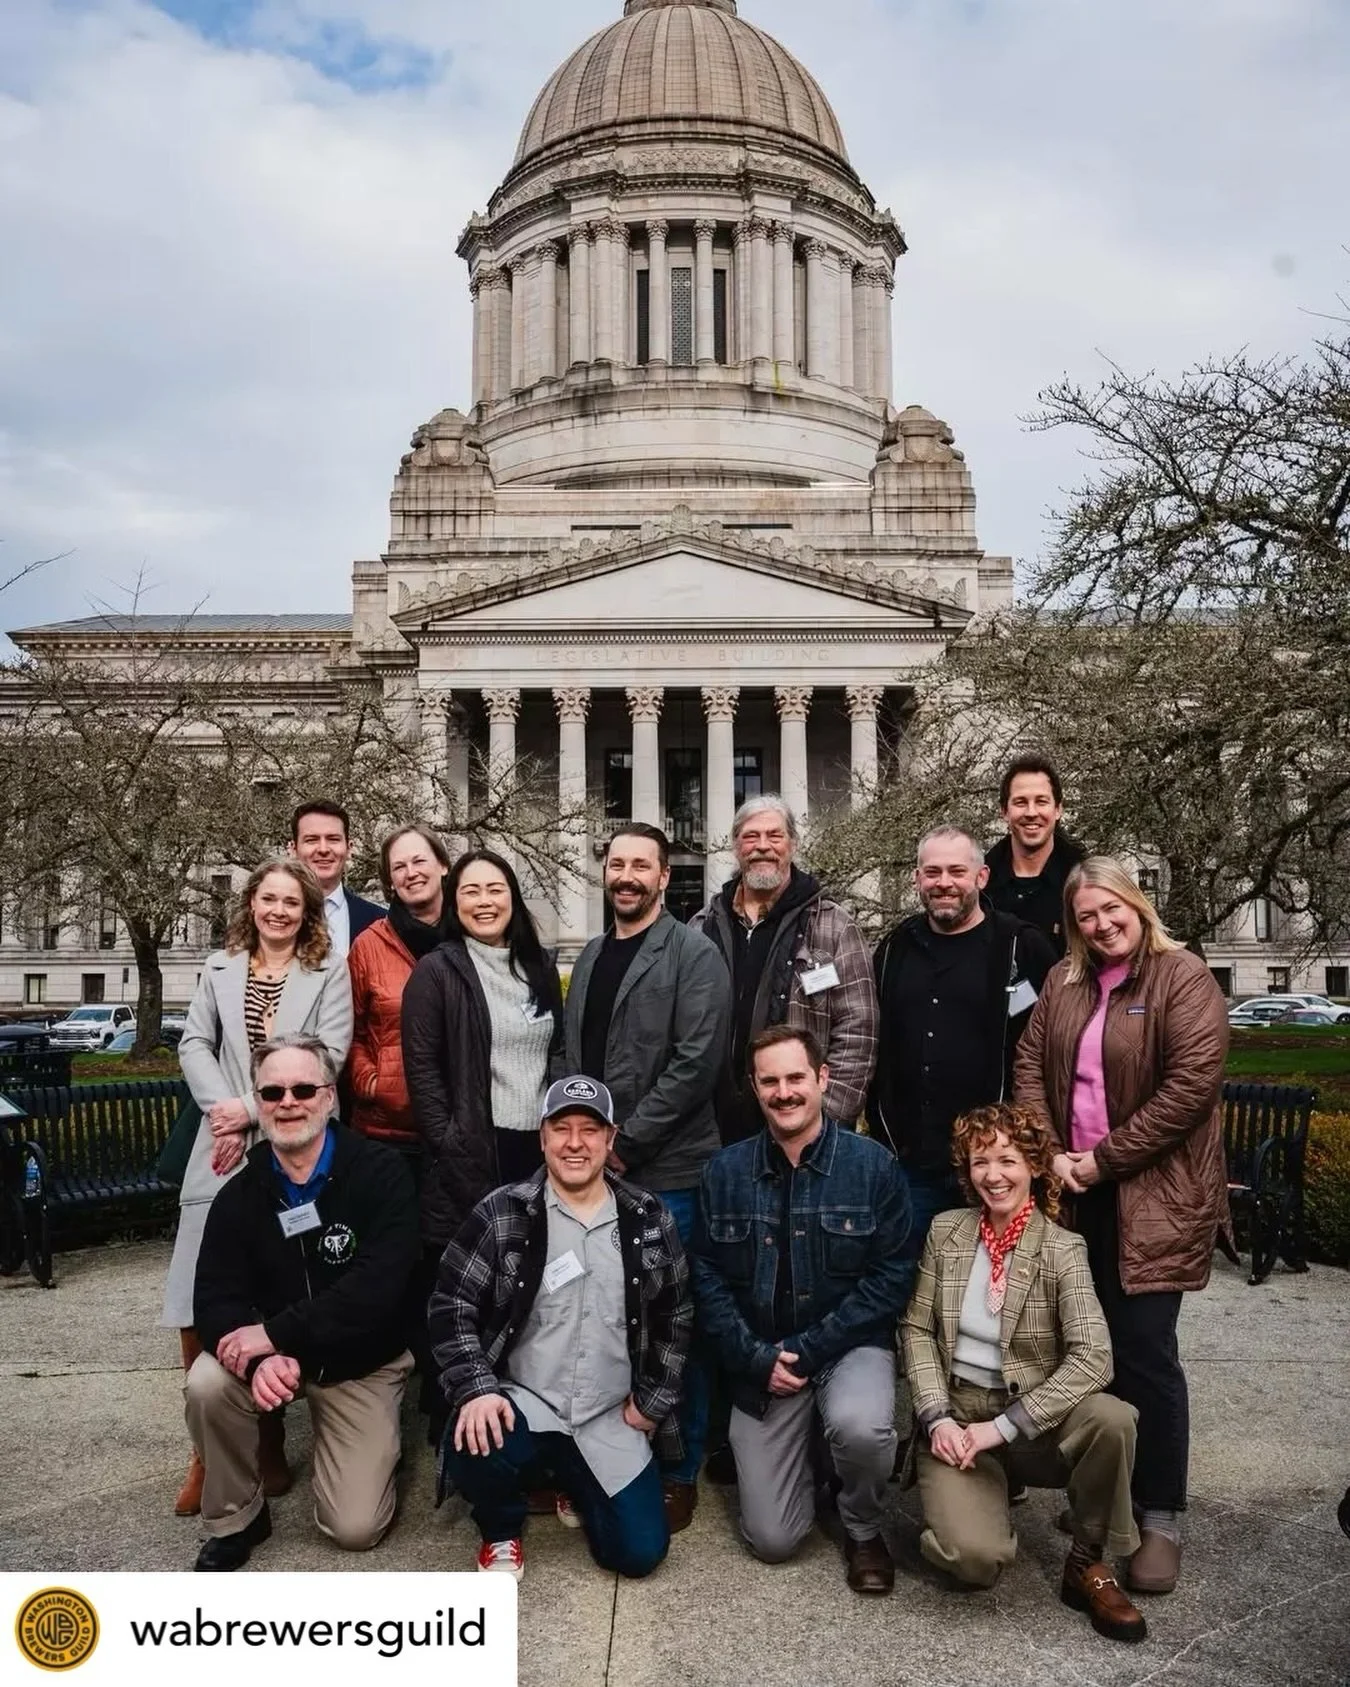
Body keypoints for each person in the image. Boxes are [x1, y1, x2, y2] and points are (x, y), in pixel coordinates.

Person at [1015, 856, 1230, 1596]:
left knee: (1144, 1352)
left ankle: (1161, 1514)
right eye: (1086, 916)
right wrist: (1053, 1159)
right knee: (1086, 1349)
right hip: (1074, 1189)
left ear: (1137, 906)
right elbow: (1029, 1069)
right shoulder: (1064, 983)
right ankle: (1106, 1506)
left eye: (1112, 910)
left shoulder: (1184, 977)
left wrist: (1099, 1162)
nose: (1102, 925)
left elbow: (1189, 1090)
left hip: (1154, 1196)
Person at [430, 1076, 692, 1584]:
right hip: (524, 1400)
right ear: (542, 1137)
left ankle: (574, 1479)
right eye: (562, 1128)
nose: (576, 1143)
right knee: (474, 1438)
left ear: (611, 1139)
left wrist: (653, 1401)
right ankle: (501, 1530)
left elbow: (677, 1317)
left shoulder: (648, 1217)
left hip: (608, 1413)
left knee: (638, 1554)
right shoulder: (503, 1212)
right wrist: (477, 1390)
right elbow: (450, 1305)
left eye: (590, 1130)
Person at [901, 1102, 1146, 1642]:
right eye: (979, 1161)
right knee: (973, 1563)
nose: (993, 1175)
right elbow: (915, 1330)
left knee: (1113, 1418)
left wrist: (1005, 1427)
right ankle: (980, 1502)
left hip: (1031, 1422)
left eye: (1008, 1159)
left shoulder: (1062, 1249)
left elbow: (1094, 1357)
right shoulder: (946, 1233)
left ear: (1035, 1166)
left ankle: (1087, 1559)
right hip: (959, 1418)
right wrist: (936, 1417)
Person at [162, 856, 352, 1518]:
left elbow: (331, 1053)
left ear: (307, 910)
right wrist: (224, 1110)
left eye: (291, 901)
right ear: (252, 905)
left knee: (282, 1272)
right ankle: (208, 1448)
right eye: (268, 899)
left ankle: (270, 1430)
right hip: (220, 1143)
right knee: (197, 1283)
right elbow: (193, 1043)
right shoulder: (219, 968)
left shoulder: (327, 970)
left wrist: (254, 1107)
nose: (278, 910)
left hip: (292, 1128)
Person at [691, 1025, 912, 1594]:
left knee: (861, 1428)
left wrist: (810, 1350)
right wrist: (755, 1357)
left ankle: (862, 1526)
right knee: (773, 1540)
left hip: (845, 1346)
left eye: (796, 1078)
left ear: (822, 1078)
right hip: (764, 1357)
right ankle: (812, 1462)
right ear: (754, 1087)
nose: (784, 1092)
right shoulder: (724, 1172)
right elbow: (707, 1277)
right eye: (770, 1081)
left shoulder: (874, 1167)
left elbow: (890, 1280)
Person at [187, 1034, 418, 1570]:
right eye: (271, 1093)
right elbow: (214, 1299)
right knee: (206, 1382)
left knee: (355, 1529)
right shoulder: (238, 1196)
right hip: (276, 1360)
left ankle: (377, 1451)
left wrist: (277, 1334)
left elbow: (379, 1291)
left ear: (329, 1096)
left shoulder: (380, 1173)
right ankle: (237, 1517)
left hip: (361, 1363)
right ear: (258, 1103)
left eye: (302, 1088)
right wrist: (265, 1355)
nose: (287, 1102)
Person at [564, 823, 730, 1530]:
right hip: (600, 1169)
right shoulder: (595, 951)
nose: (627, 874)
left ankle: (680, 1465)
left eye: (641, 864)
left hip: (669, 1170)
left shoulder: (695, 953)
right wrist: (573, 1139)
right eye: (617, 863)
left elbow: (697, 1062)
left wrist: (624, 1143)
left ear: (665, 877)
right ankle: (607, 1452)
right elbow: (574, 1057)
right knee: (604, 1318)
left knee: (672, 1322)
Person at [401, 850, 564, 1432]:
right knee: (470, 1288)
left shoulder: (538, 966)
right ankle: (461, 1417)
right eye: (471, 891)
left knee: (528, 1284)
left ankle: (526, 1411)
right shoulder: (437, 971)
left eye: (495, 889)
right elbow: (423, 1072)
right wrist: (452, 1144)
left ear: (513, 898)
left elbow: (556, 1051)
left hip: (535, 1149)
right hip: (471, 1151)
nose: (485, 901)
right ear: (455, 901)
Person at [868, 826, 1056, 1253]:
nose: (944, 883)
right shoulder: (895, 948)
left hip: (998, 1165)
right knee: (913, 1292)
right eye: (932, 873)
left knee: (994, 1297)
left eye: (957, 871)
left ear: (982, 877)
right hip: (911, 1162)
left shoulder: (1020, 946)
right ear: (917, 880)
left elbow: (1054, 1047)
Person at [692, 795, 879, 1143]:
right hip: (714, 1134)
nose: (763, 846)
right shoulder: (702, 927)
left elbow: (859, 1033)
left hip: (803, 1130)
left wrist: (824, 1124)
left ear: (792, 844)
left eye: (775, 836)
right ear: (735, 846)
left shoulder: (834, 926)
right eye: (751, 837)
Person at [346, 825, 453, 1153]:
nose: (411, 873)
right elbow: (349, 1033)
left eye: (420, 861)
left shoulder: (472, 939)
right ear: (390, 882)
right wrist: (376, 1086)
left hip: (461, 1128)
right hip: (386, 1133)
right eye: (399, 867)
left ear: (443, 866)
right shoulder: (368, 946)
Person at [985, 756, 1086, 957]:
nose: (1031, 812)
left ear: (1058, 810)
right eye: (1021, 802)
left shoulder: (1085, 880)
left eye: (1041, 801)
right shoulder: (980, 886)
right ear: (1004, 811)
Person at [289, 800, 384, 959]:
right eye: (311, 840)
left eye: (333, 839)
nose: (323, 849)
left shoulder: (380, 923)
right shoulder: (271, 919)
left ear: (349, 848)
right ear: (293, 849)